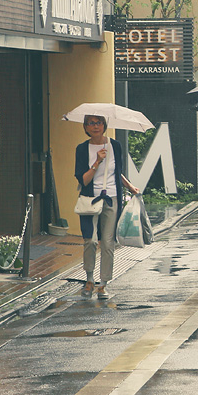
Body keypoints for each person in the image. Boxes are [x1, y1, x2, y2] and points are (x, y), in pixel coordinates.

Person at [75, 115, 140, 299]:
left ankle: (103, 284)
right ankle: (89, 279)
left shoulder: (115, 145)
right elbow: (83, 179)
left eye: (99, 122)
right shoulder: (82, 149)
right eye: (91, 123)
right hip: (90, 199)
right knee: (90, 240)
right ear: (85, 127)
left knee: (108, 242)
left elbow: (117, 172)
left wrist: (130, 187)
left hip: (112, 198)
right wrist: (96, 162)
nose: (95, 126)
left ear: (105, 125)